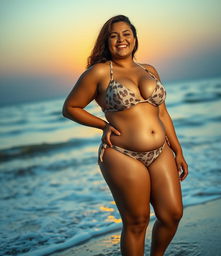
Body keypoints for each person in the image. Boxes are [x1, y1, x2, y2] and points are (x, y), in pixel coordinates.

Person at [62, 14, 188, 256]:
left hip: (160, 152)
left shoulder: (149, 70)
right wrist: (103, 125)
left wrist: (178, 149)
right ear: (106, 41)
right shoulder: (98, 72)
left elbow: (162, 113)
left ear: (134, 38)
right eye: (114, 35)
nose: (121, 39)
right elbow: (70, 108)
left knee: (172, 214)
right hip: (122, 155)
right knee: (137, 222)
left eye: (126, 34)